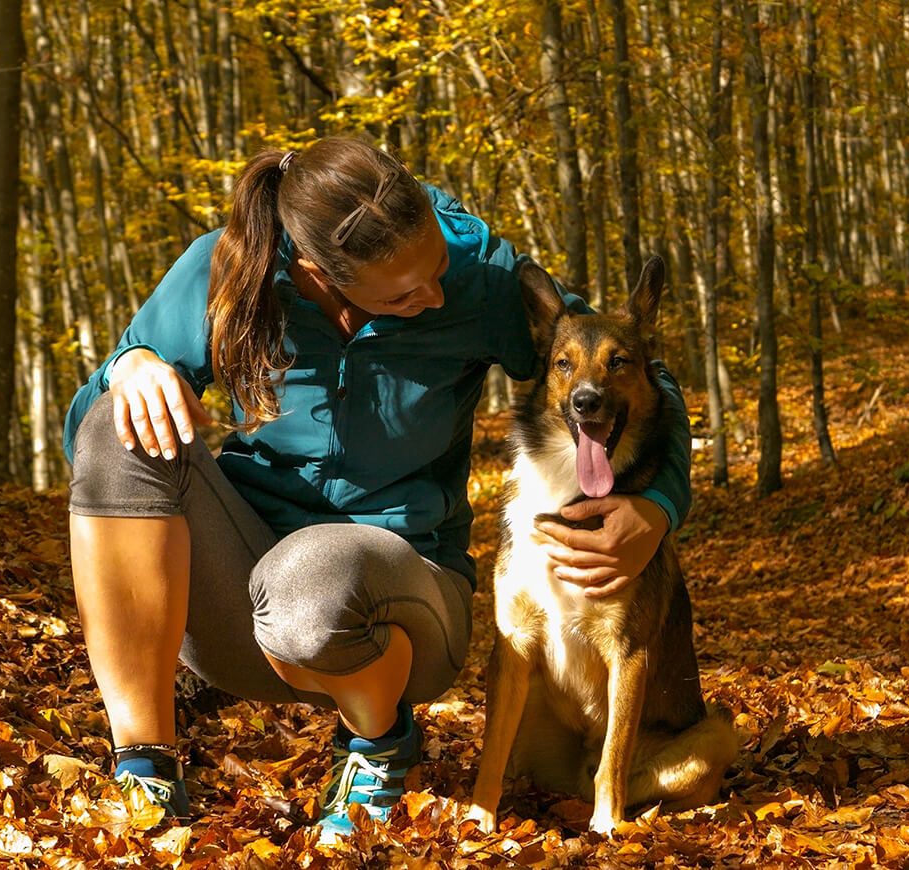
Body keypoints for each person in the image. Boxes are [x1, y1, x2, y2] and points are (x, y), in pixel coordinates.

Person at [61, 136, 694, 842]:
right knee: (115, 420)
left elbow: (634, 368)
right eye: (403, 293)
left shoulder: (479, 277)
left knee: (312, 580)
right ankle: (146, 771)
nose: (433, 292)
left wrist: (656, 506)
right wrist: (134, 366)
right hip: (240, 599)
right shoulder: (231, 268)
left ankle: (380, 745)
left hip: (399, 600)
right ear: (317, 272)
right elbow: (90, 444)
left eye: (436, 271)